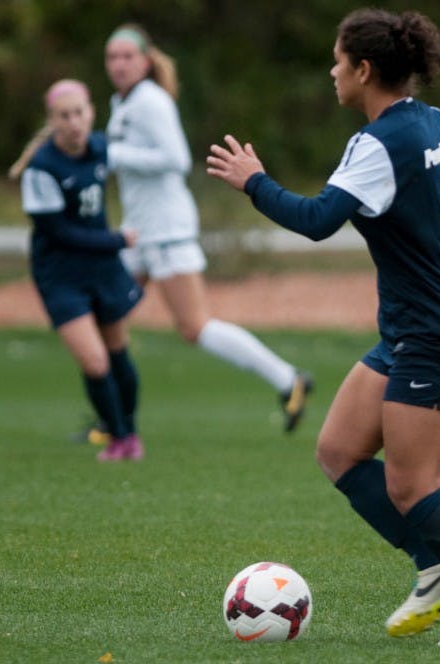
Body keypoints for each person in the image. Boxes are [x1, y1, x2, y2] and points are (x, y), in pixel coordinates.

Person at [206, 8, 440, 648]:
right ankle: (433, 562)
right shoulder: (433, 121)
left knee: (413, 486)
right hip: (412, 330)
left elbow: (317, 220)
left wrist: (255, 183)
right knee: (337, 451)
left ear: (363, 70)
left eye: (338, 61)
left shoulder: (378, 144)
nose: (332, 72)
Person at [103, 23, 311, 433]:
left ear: (145, 62)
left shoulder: (150, 101)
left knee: (194, 327)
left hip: (165, 230)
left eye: (128, 56)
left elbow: (176, 159)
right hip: (137, 231)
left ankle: (288, 379)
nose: (120, 64)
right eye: (112, 57)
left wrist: (111, 154)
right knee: (105, 317)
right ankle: (113, 419)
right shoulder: (122, 101)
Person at [10, 79, 145, 462]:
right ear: (52, 121)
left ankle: (130, 435)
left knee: (119, 355)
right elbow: (59, 232)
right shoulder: (42, 168)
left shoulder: (100, 148)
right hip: (61, 275)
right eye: (64, 116)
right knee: (94, 361)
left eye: (79, 113)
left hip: (102, 269)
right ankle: (117, 436)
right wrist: (118, 240)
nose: (74, 122)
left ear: (91, 113)